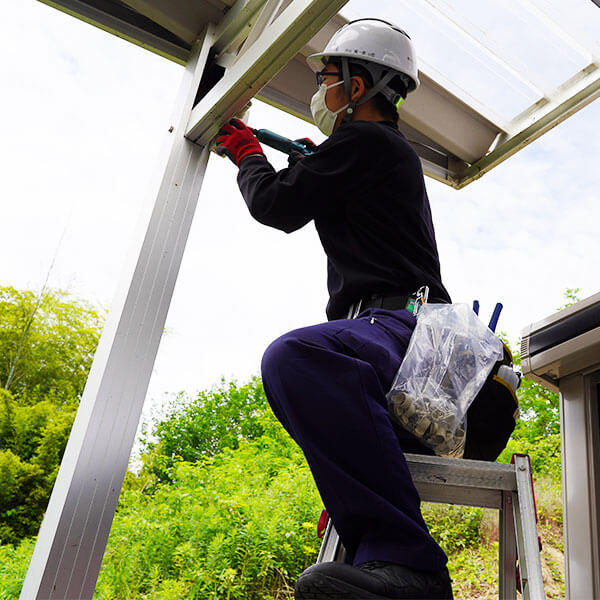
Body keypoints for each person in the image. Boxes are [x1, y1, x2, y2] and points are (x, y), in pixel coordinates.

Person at [216, 18, 454, 600]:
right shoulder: (376, 153)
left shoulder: (368, 143)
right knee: (324, 373)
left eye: (327, 77)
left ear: (358, 86)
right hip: (407, 340)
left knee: (297, 359)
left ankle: (408, 562)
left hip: (403, 330)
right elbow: (316, 187)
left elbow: (276, 204)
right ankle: (373, 535)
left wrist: (245, 150)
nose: (318, 90)